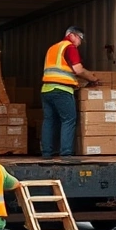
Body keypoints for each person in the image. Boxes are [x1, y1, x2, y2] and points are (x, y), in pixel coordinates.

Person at [41, 26, 100, 159]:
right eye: (79, 38)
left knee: (49, 121)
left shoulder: (52, 48)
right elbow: (78, 70)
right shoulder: (70, 47)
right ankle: (66, 153)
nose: (79, 42)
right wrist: (92, 78)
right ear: (72, 35)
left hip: (46, 90)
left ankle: (46, 153)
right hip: (62, 90)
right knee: (68, 119)